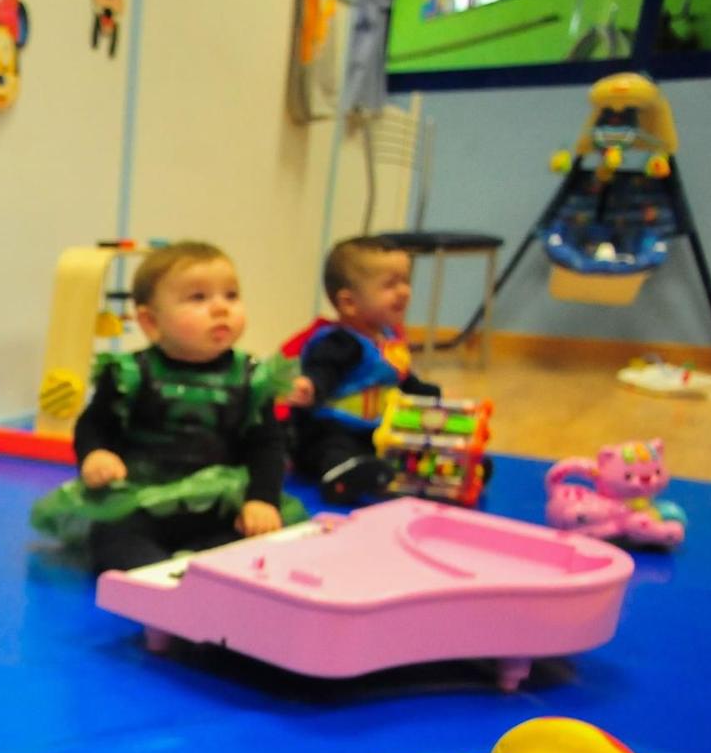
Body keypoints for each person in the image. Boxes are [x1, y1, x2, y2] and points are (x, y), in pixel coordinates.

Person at [31, 241, 307, 573]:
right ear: (150, 321)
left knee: (258, 546)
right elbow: (95, 425)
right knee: (113, 539)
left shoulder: (251, 378)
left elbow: (266, 446)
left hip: (218, 502)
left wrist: (262, 500)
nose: (221, 308)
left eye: (231, 295)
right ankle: (156, 584)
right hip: (140, 498)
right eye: (198, 298)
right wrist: (96, 454)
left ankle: (202, 576)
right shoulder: (130, 375)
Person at [282, 236, 443, 504]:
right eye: (390, 285)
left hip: (374, 432)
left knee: (401, 445)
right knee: (332, 446)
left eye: (405, 281)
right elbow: (323, 370)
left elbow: (398, 379)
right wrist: (311, 386)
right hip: (330, 429)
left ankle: (441, 469)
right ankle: (342, 476)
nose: (404, 292)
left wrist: (425, 393)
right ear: (349, 303)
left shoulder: (388, 340)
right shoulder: (339, 341)